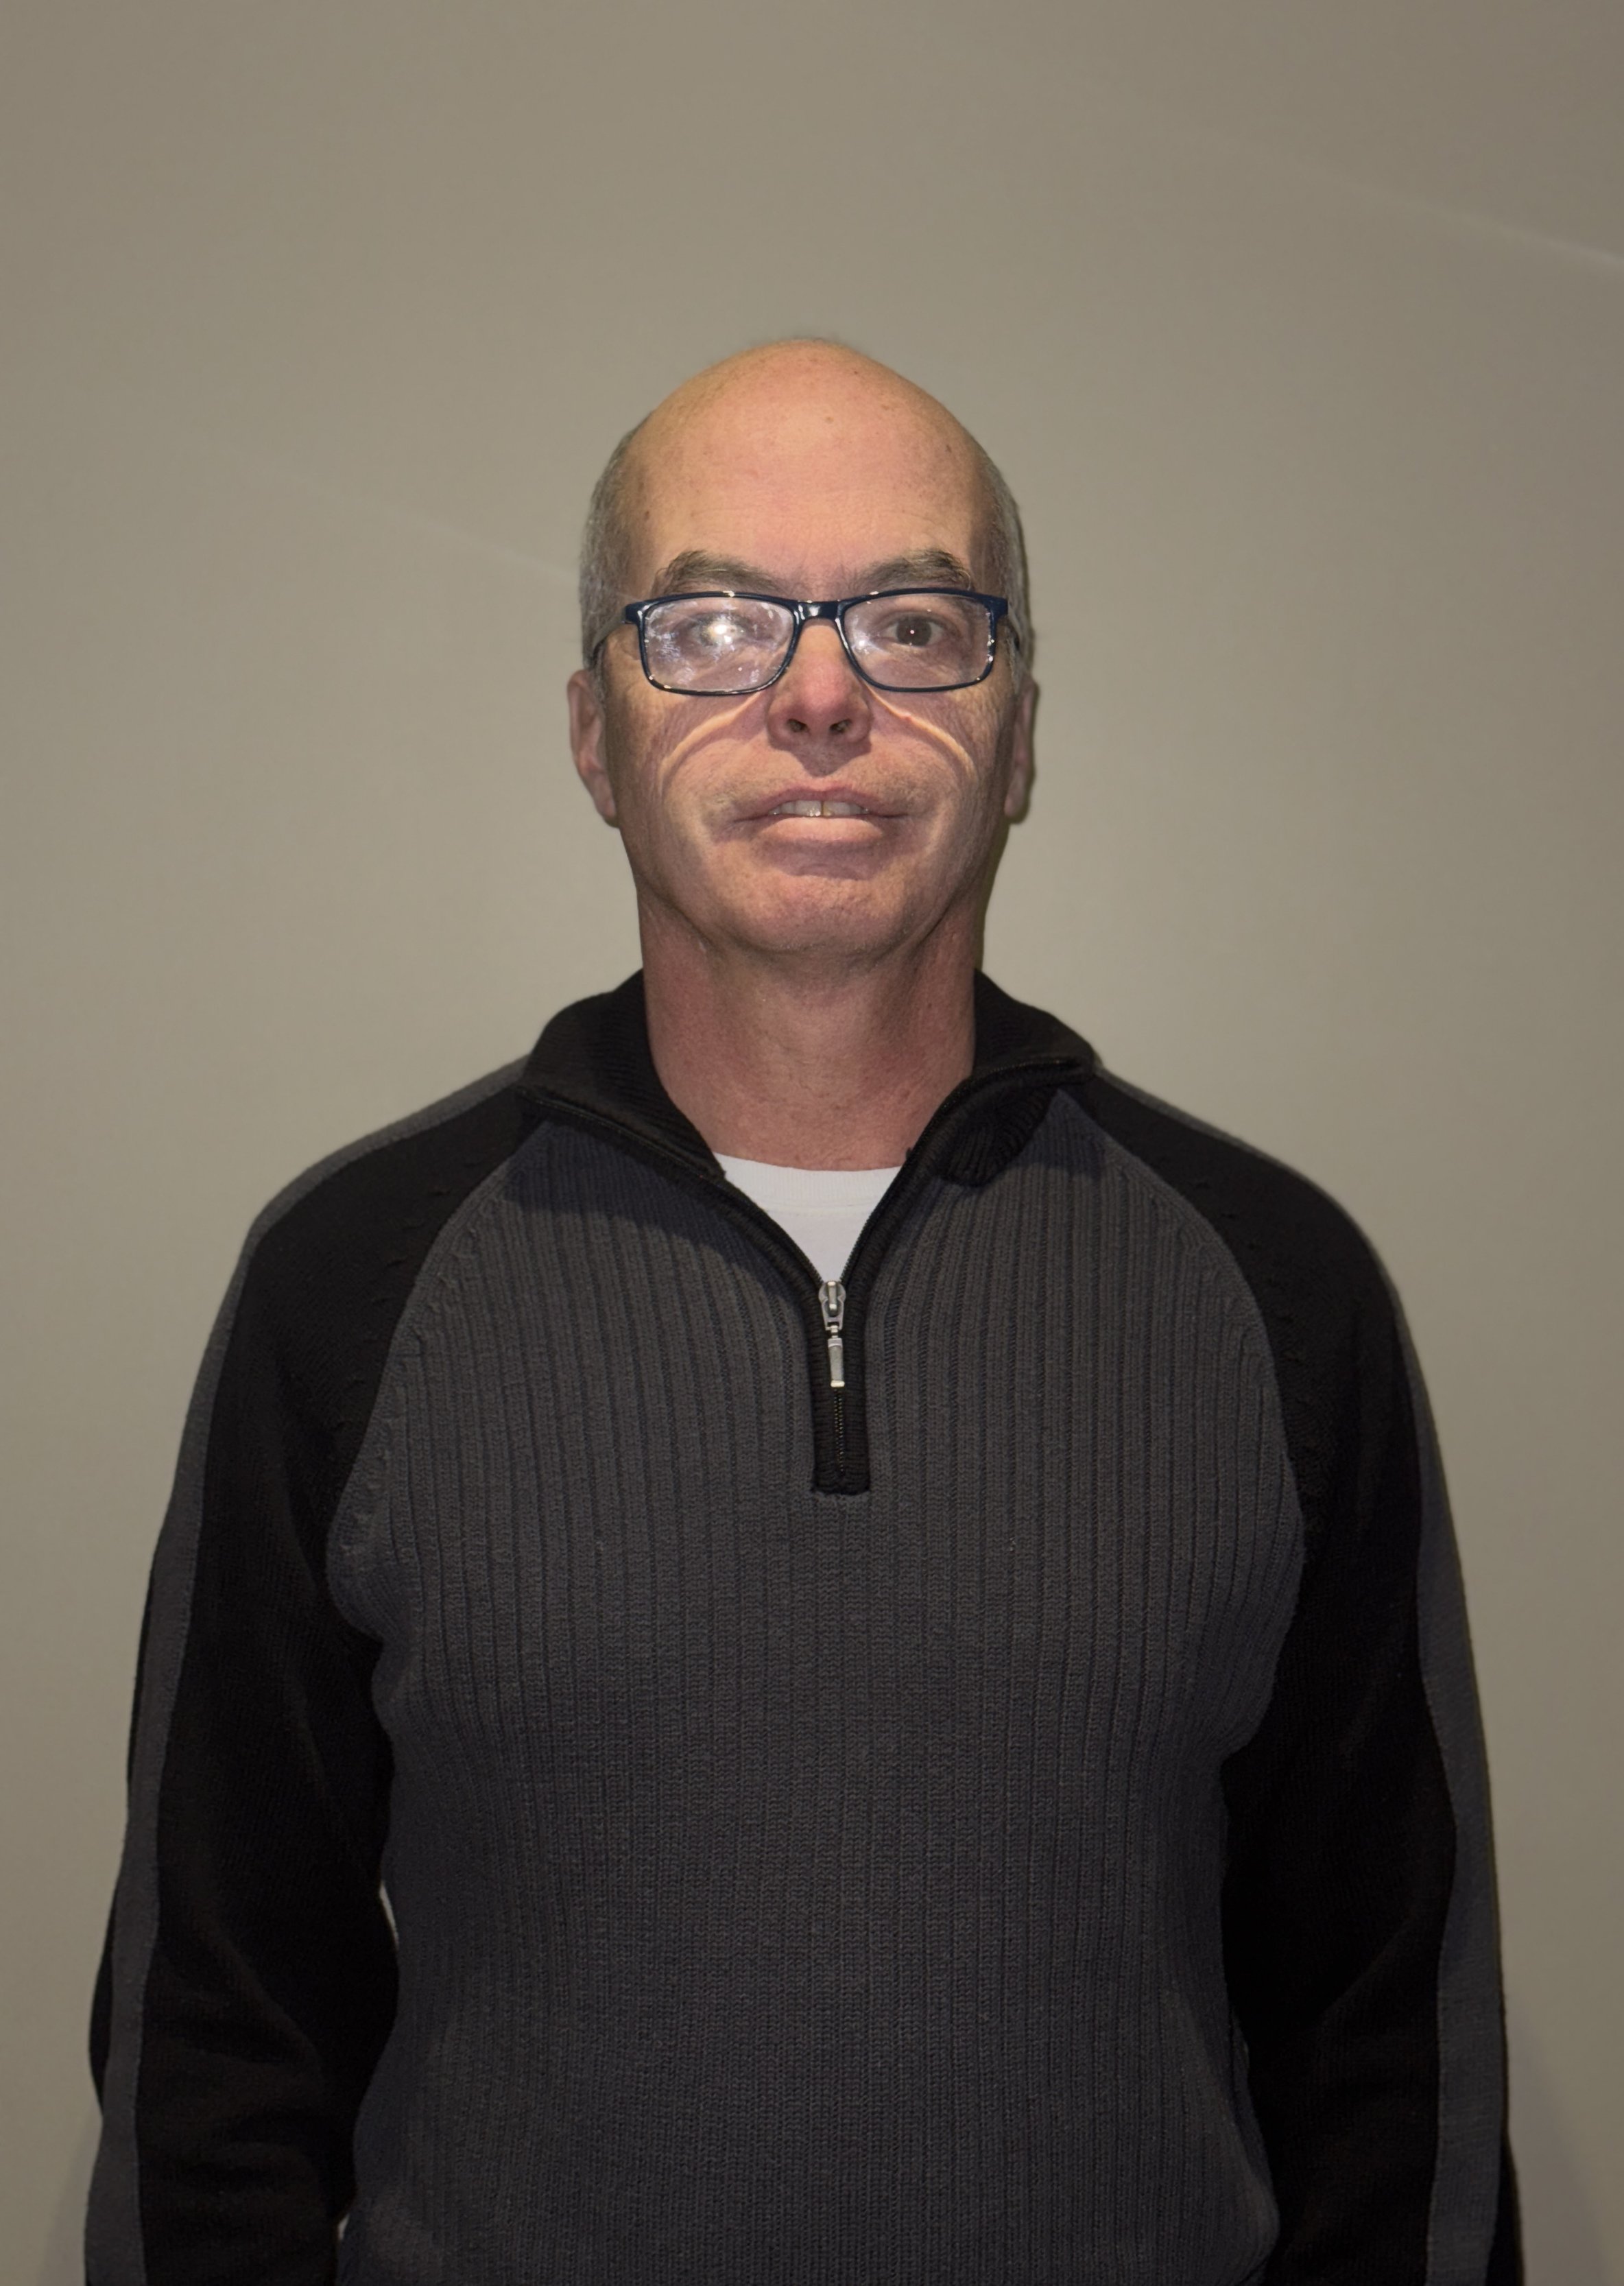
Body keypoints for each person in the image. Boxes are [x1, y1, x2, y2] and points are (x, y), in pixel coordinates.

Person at [87, 339, 1520, 2285]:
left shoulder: (1274, 1290)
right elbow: (212, 2041)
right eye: (712, 624)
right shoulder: (349, 1284)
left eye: (915, 623)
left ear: (1018, 735)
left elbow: (1392, 2058)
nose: (823, 695)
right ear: (592, 735)